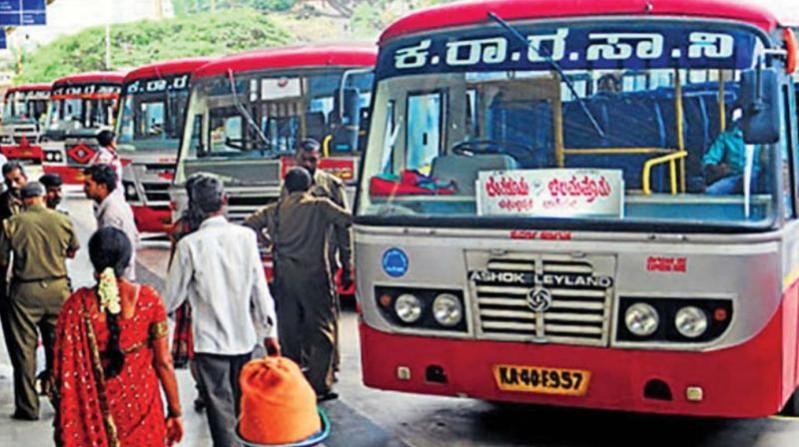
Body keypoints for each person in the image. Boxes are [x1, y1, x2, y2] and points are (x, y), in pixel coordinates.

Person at [164, 174, 279, 447]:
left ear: (194, 206)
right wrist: (270, 332)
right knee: (243, 409)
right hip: (244, 340)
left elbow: (171, 298)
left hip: (209, 344)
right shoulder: (246, 238)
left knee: (220, 413)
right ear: (224, 201)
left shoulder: (189, 245)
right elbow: (260, 290)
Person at [53, 227, 183, 446]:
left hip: (96, 415)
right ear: (128, 259)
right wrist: (176, 411)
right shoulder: (149, 300)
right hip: (143, 408)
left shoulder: (77, 306)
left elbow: (61, 373)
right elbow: (164, 362)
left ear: (93, 262)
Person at [245, 167, 352, 401]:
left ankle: (293, 381)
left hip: (285, 278)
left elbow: (248, 224)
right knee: (322, 331)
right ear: (309, 187)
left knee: (289, 331)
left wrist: (266, 239)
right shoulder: (320, 206)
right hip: (315, 277)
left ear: (287, 187)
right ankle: (318, 384)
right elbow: (347, 220)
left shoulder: (274, 210)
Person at [262, 138, 353, 375]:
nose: (309, 164)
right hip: (291, 265)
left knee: (323, 320)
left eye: (313, 160)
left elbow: (344, 227)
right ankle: (300, 369)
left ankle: (326, 370)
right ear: (296, 158)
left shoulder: (331, 187)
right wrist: (271, 242)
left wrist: (347, 262)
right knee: (292, 320)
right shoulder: (289, 186)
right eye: (305, 159)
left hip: (322, 261)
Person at [0, 181, 79, 420]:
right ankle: (63, 403)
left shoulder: (11, 224)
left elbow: (2, 261)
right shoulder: (62, 220)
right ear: (43, 197)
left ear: (23, 200)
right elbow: (72, 250)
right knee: (60, 349)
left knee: (25, 351)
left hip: (25, 292)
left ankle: (28, 407)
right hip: (58, 290)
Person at [83, 163, 139, 280]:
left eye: (88, 185)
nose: (84, 189)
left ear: (102, 186)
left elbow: (110, 250)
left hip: (117, 276)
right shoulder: (115, 204)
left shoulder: (112, 212)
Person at [0, 161, 27, 362]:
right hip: (8, 279)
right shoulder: (2, 203)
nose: (15, 186)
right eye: (10, 182)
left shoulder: (37, 199)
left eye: (17, 180)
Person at [702, 108, 760, 195]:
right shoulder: (726, 137)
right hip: (734, 177)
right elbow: (709, 159)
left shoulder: (764, 135)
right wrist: (718, 169)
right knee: (711, 192)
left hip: (758, 178)